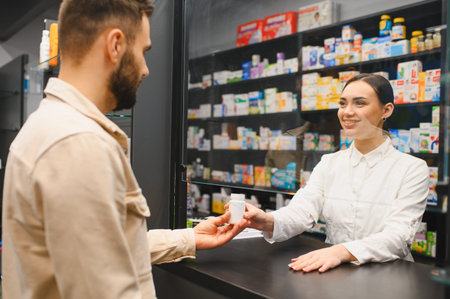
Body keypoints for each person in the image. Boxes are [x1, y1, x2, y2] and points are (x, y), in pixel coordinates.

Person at [1, 0, 248, 298]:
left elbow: (95, 250)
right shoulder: (79, 145)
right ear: (115, 44)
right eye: (143, 52)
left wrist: (189, 238)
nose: (145, 70)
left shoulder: (49, 126)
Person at [242, 74, 429, 273]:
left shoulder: (412, 168)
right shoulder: (329, 163)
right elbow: (303, 210)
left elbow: (398, 237)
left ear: (386, 110)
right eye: (342, 103)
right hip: (333, 271)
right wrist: (267, 220)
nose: (347, 112)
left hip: (389, 276)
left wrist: (341, 251)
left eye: (360, 103)